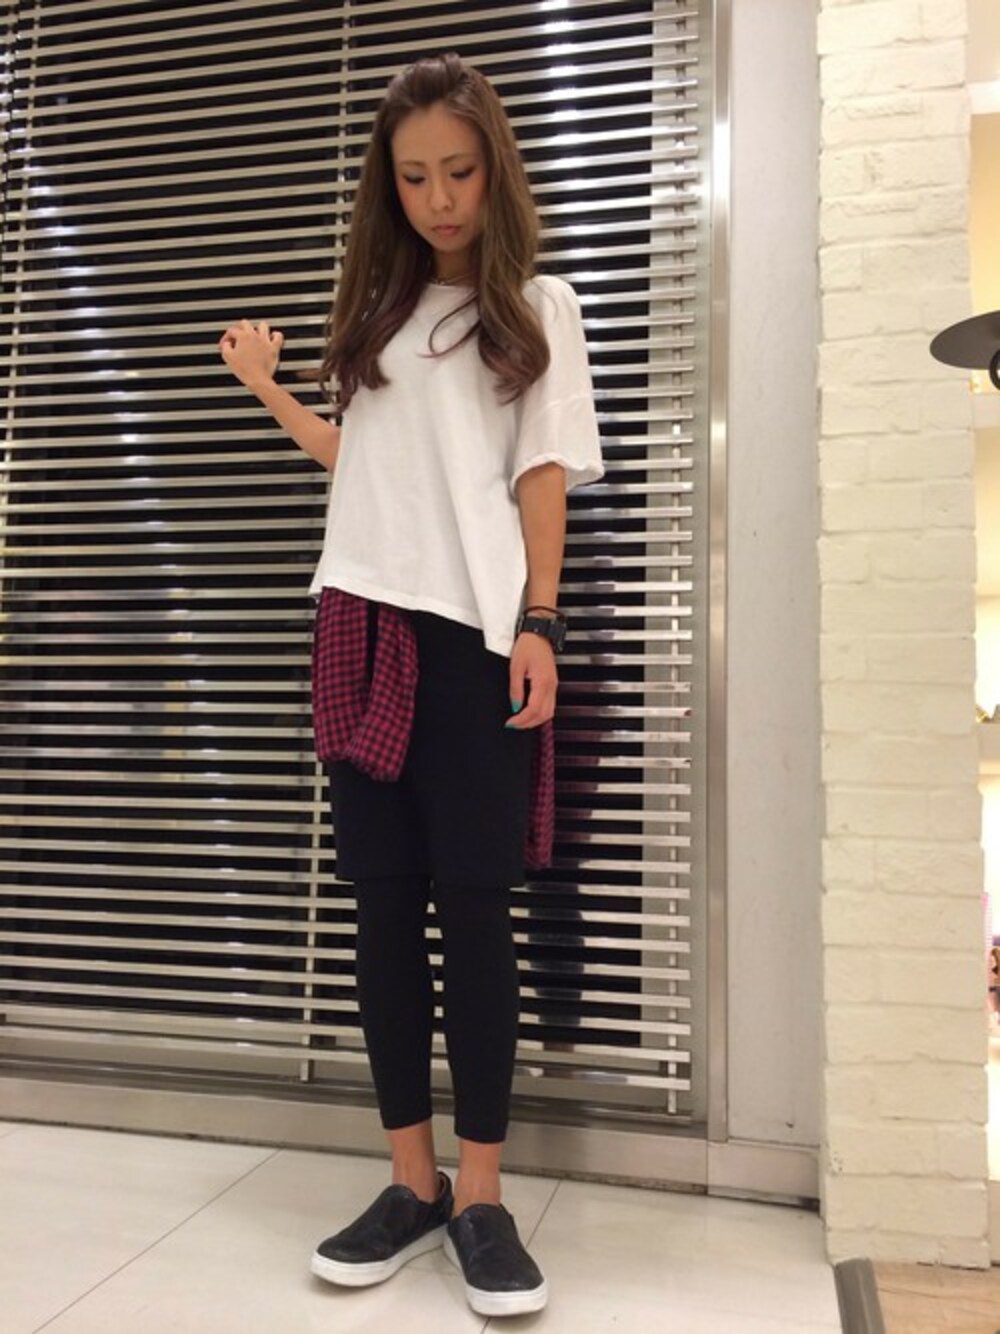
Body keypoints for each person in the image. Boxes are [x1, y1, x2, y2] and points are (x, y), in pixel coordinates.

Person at [218, 51, 603, 1319]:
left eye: (459, 170)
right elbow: (364, 462)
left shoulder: (537, 305)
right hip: (358, 622)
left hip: (475, 638)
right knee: (381, 912)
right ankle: (412, 1181)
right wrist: (268, 387)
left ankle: (482, 1196)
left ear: (495, 171)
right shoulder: (376, 317)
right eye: (415, 176)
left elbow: (540, 472)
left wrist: (539, 619)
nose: (439, 197)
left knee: (475, 913)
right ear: (389, 186)